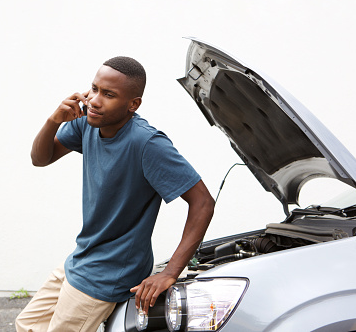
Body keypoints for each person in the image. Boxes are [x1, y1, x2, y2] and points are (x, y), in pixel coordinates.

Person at [16, 56, 214, 332]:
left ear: (133, 104)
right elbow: (40, 158)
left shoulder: (147, 143)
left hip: (109, 273)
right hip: (82, 259)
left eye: (109, 94)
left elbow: (203, 202)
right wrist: (54, 119)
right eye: (94, 89)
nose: (95, 100)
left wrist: (170, 273)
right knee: (26, 324)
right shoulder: (87, 122)